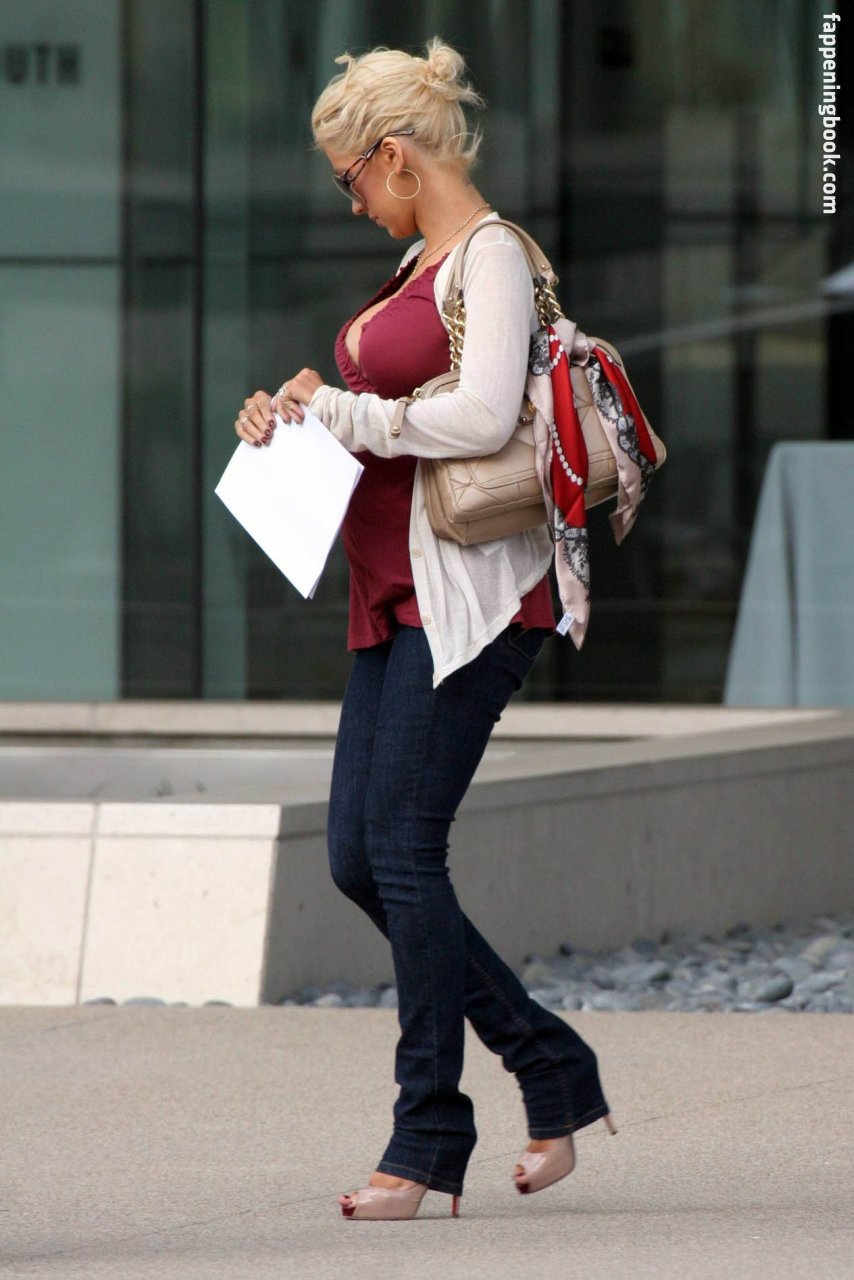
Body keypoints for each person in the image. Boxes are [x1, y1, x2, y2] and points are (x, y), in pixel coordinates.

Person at [234, 38, 615, 1222]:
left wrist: (347, 408)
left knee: (402, 846)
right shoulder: (416, 266)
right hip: (389, 595)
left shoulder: (489, 256)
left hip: (471, 602)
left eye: (349, 178)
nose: (350, 201)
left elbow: (484, 412)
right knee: (359, 857)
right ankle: (549, 1062)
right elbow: (383, 410)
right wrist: (290, 412)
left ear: (394, 156)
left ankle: (427, 1134)